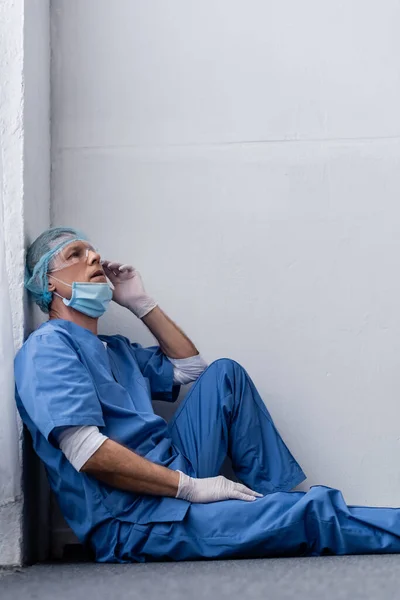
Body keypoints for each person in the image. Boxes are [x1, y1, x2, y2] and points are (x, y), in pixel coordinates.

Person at [15, 227, 400, 563]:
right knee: (313, 514)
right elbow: (88, 453)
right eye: (76, 254)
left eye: (92, 249)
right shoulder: (48, 349)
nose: (94, 256)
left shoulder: (113, 349)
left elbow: (191, 368)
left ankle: (270, 506)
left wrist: (141, 304)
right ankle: (290, 516)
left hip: (175, 472)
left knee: (224, 375)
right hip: (135, 518)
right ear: (49, 283)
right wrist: (191, 487)